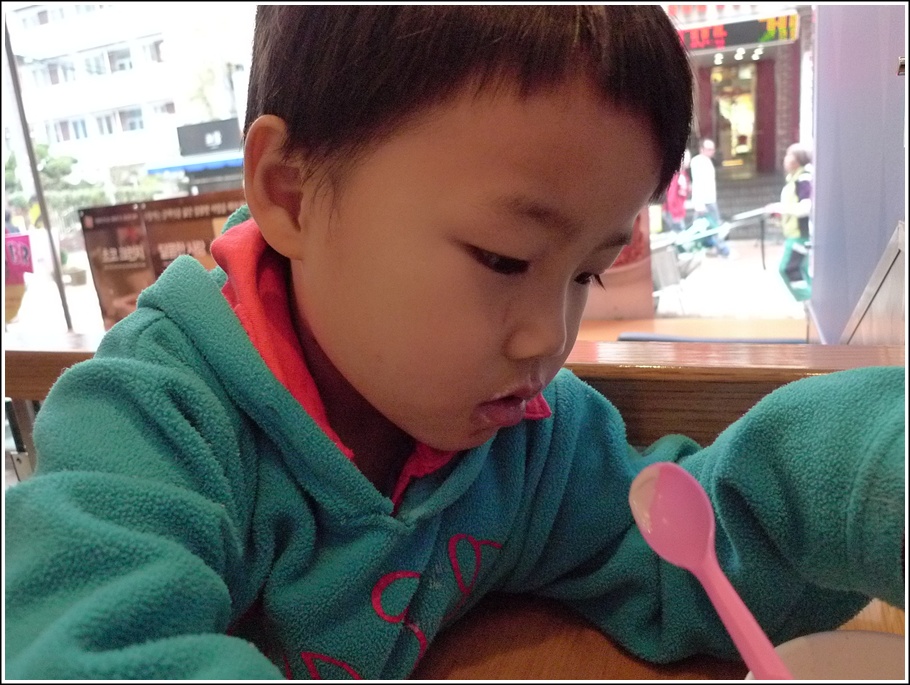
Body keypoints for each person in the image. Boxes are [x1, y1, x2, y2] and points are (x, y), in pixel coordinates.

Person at [5, 7, 904, 681]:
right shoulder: (153, 418)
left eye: (587, 274)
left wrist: (864, 478)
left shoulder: (527, 442)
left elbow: (691, 554)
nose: (547, 339)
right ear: (291, 193)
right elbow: (81, 649)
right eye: (503, 258)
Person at [766, 143, 813, 302]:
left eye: (789, 155)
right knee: (800, 269)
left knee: (788, 268)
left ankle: (808, 299)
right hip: (794, 233)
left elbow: (806, 207)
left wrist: (781, 208)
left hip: (800, 235)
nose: (785, 159)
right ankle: (810, 300)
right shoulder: (794, 180)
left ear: (798, 159)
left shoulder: (803, 179)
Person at [688, 137, 730, 257]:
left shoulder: (707, 161)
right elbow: (698, 182)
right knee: (713, 226)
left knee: (702, 226)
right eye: (709, 149)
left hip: (709, 199)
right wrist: (699, 203)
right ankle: (723, 250)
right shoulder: (697, 162)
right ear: (702, 149)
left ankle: (708, 247)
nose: (712, 151)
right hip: (704, 200)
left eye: (712, 149)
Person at [662, 149, 691, 233]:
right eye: (687, 158)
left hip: (678, 211)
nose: (689, 160)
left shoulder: (683, 174)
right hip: (673, 212)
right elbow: (671, 195)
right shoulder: (674, 175)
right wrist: (674, 214)